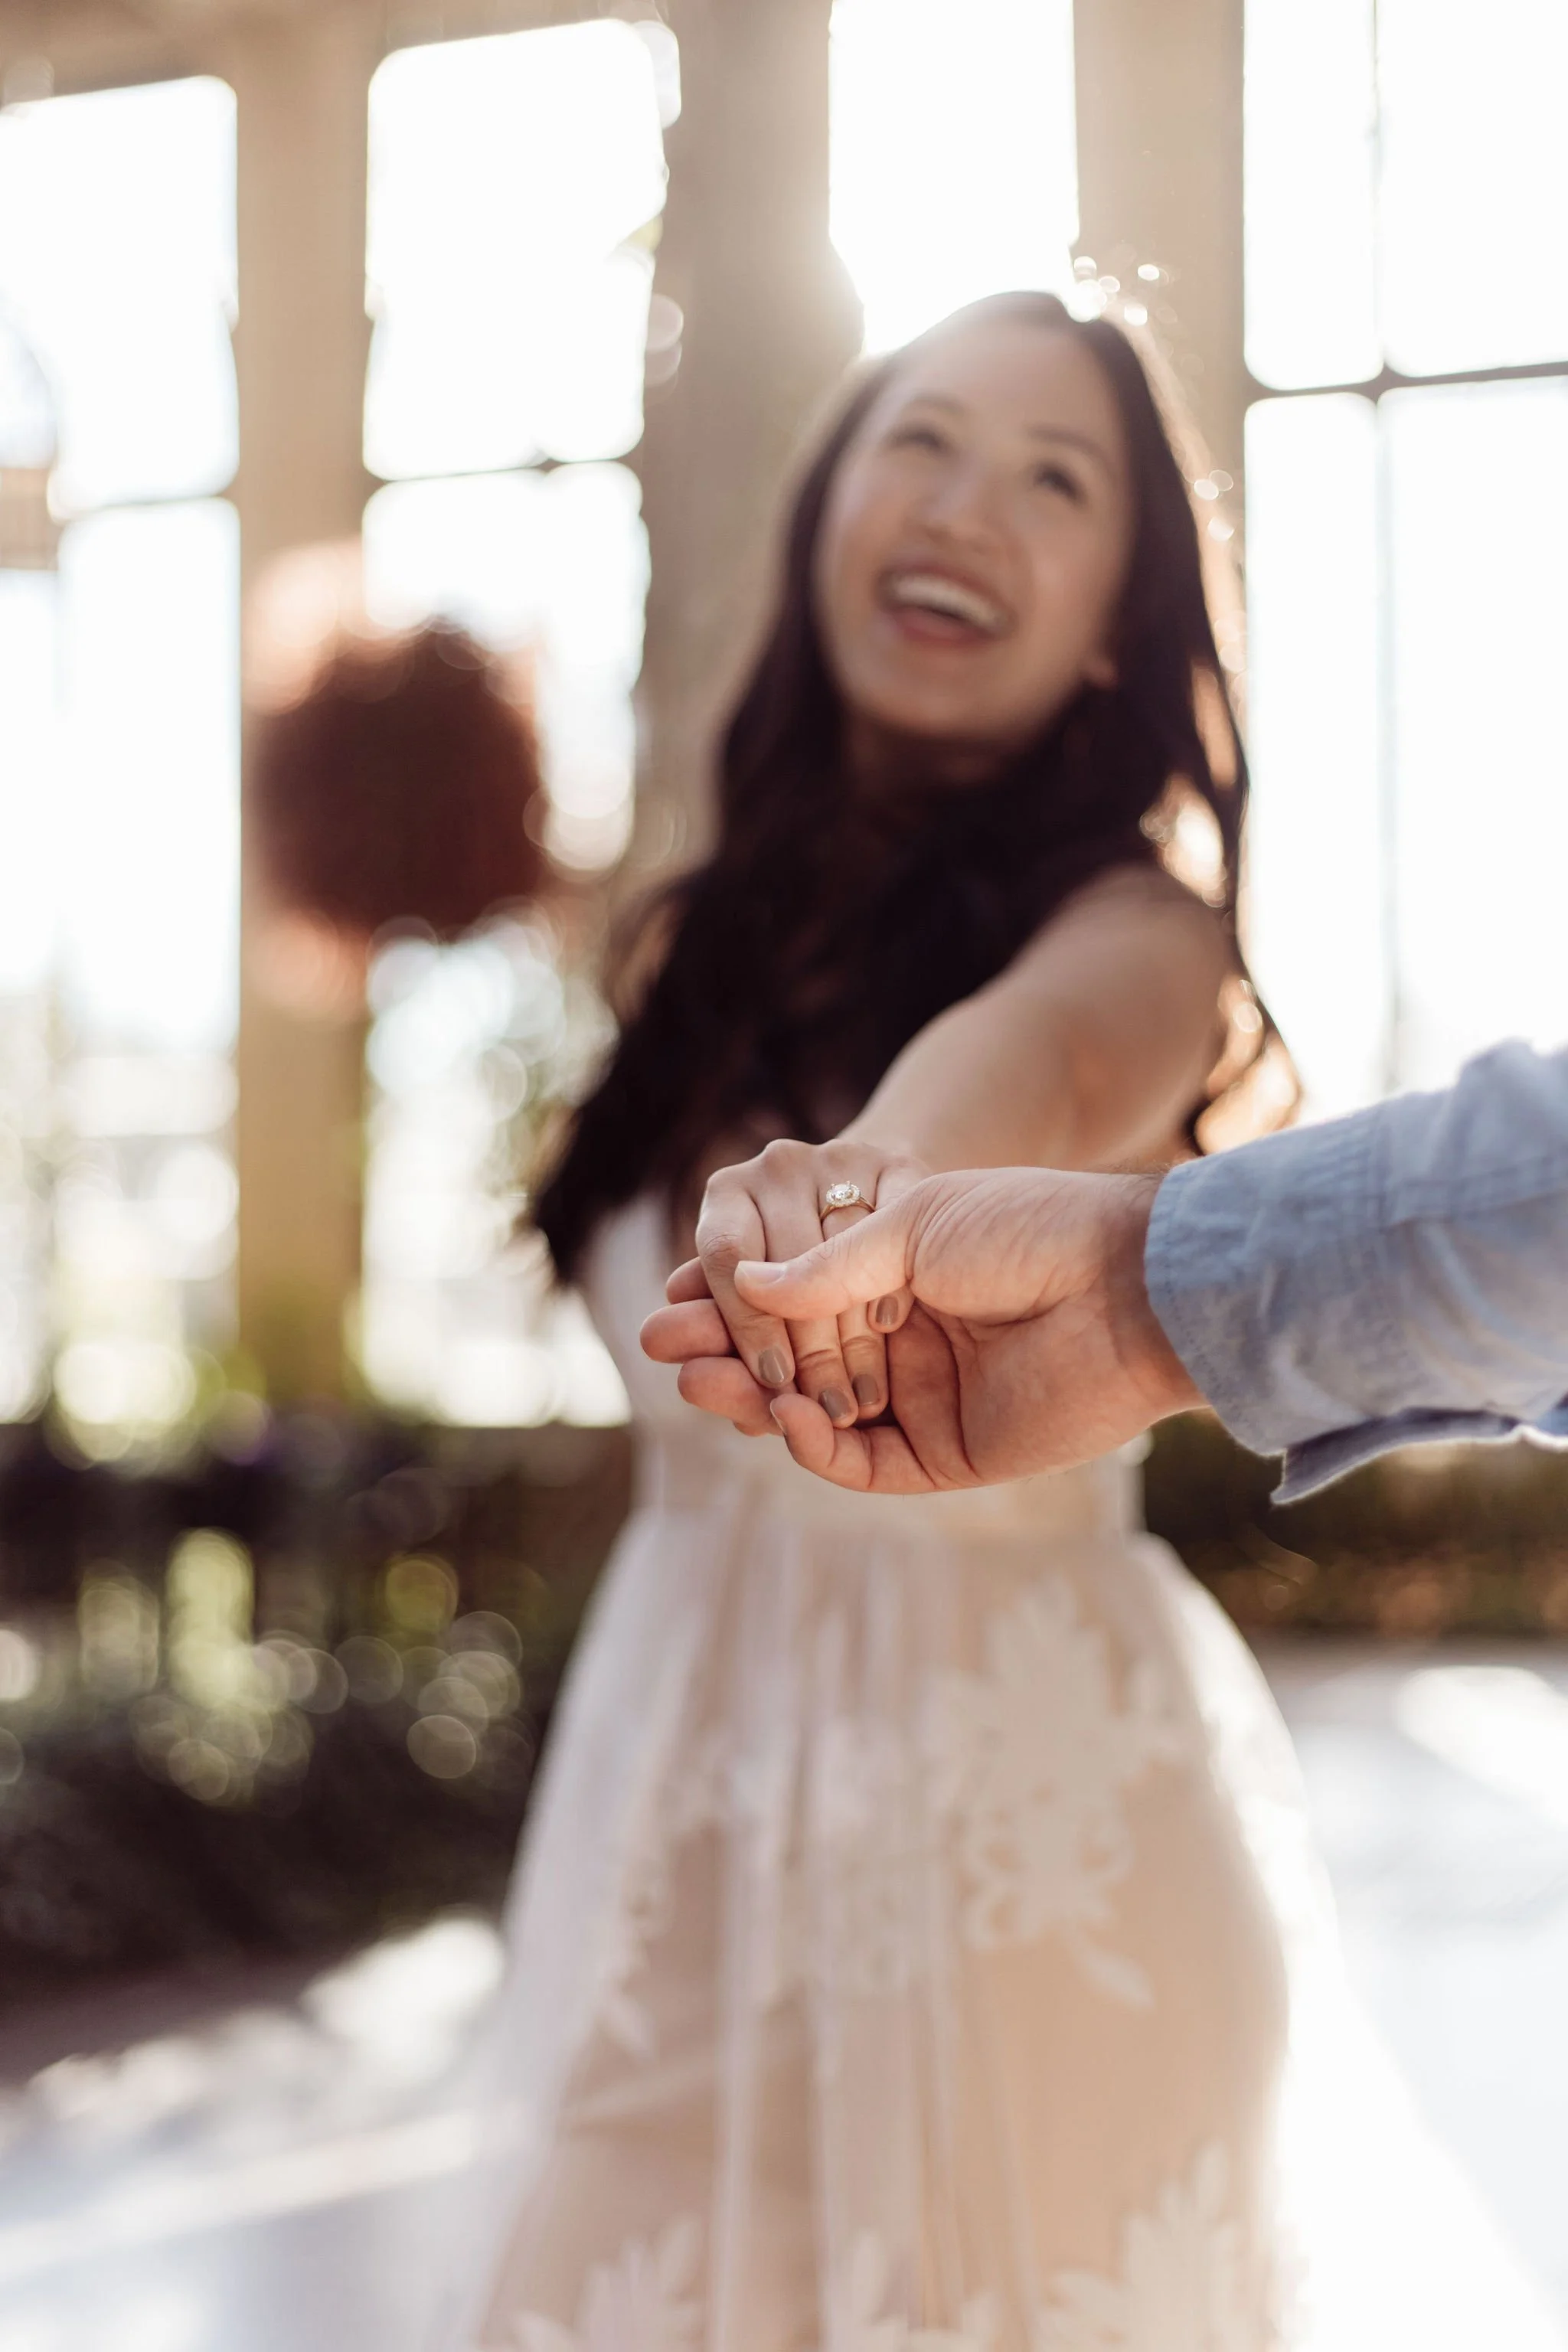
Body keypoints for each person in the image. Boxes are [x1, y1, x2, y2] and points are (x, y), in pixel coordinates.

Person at [440, 291, 1395, 2352]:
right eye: (924, 441)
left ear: (1121, 622)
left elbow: (1008, 1087)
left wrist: (857, 1186)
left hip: (1019, 1855)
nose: (968, 505)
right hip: (678, 1813)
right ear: (825, 517)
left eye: (1057, 480)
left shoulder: (1146, 942)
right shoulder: (688, 945)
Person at [641, 1038, 1568, 1504]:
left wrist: (865, 1189)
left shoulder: (1132, 915)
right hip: (676, 1655)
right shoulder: (678, 958)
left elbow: (1047, 1047)